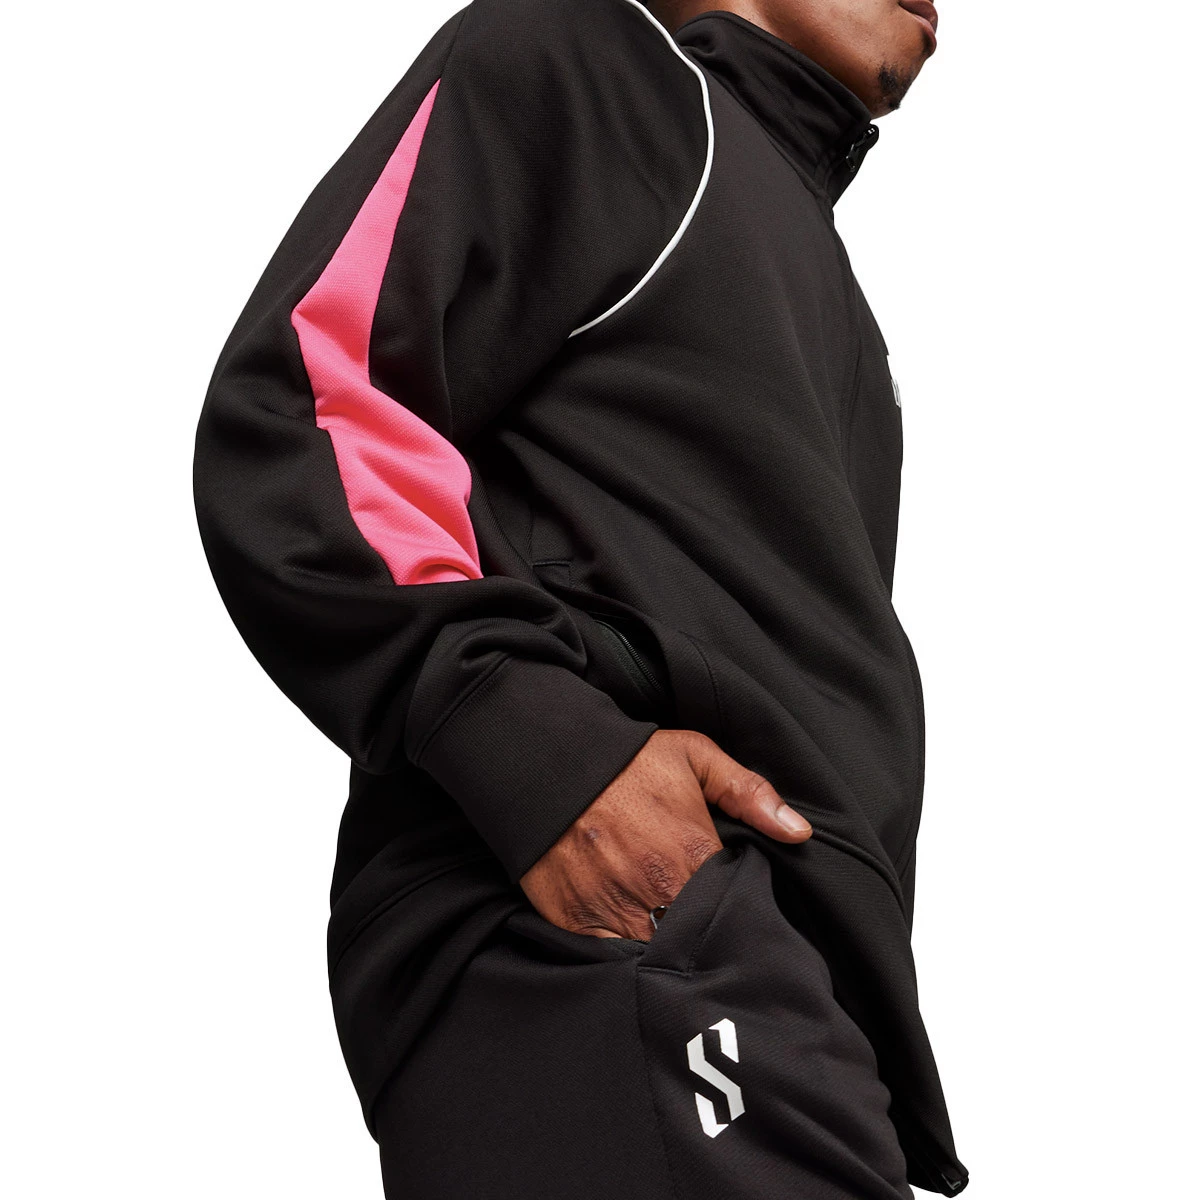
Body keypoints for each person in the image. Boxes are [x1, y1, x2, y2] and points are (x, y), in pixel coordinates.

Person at [192, 0, 968, 1194]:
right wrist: (539, 753)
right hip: (621, 937)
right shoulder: (593, 66)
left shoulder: (816, 271)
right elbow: (312, 401)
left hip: (779, 990)